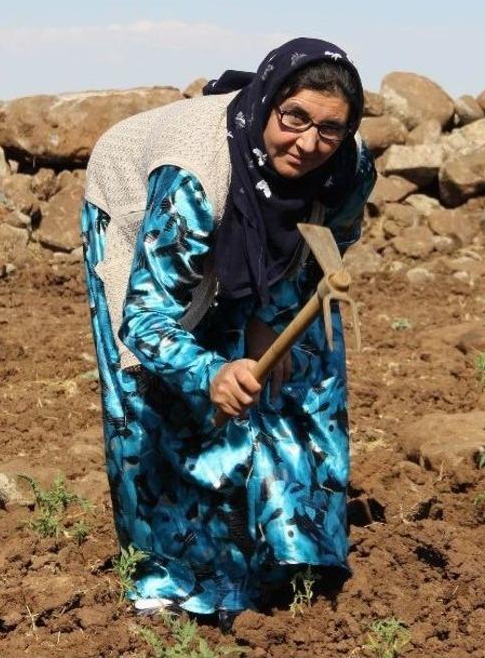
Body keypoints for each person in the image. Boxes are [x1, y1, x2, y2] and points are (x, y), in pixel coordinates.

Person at [81, 37, 376, 622]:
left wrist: (272, 316)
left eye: (329, 128)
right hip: (140, 212)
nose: (308, 143)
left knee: (300, 368)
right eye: (293, 118)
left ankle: (295, 555)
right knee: (147, 392)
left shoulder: (346, 166)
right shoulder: (192, 175)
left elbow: (329, 243)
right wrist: (209, 371)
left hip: (269, 240)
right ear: (268, 102)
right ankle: (173, 586)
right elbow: (144, 316)